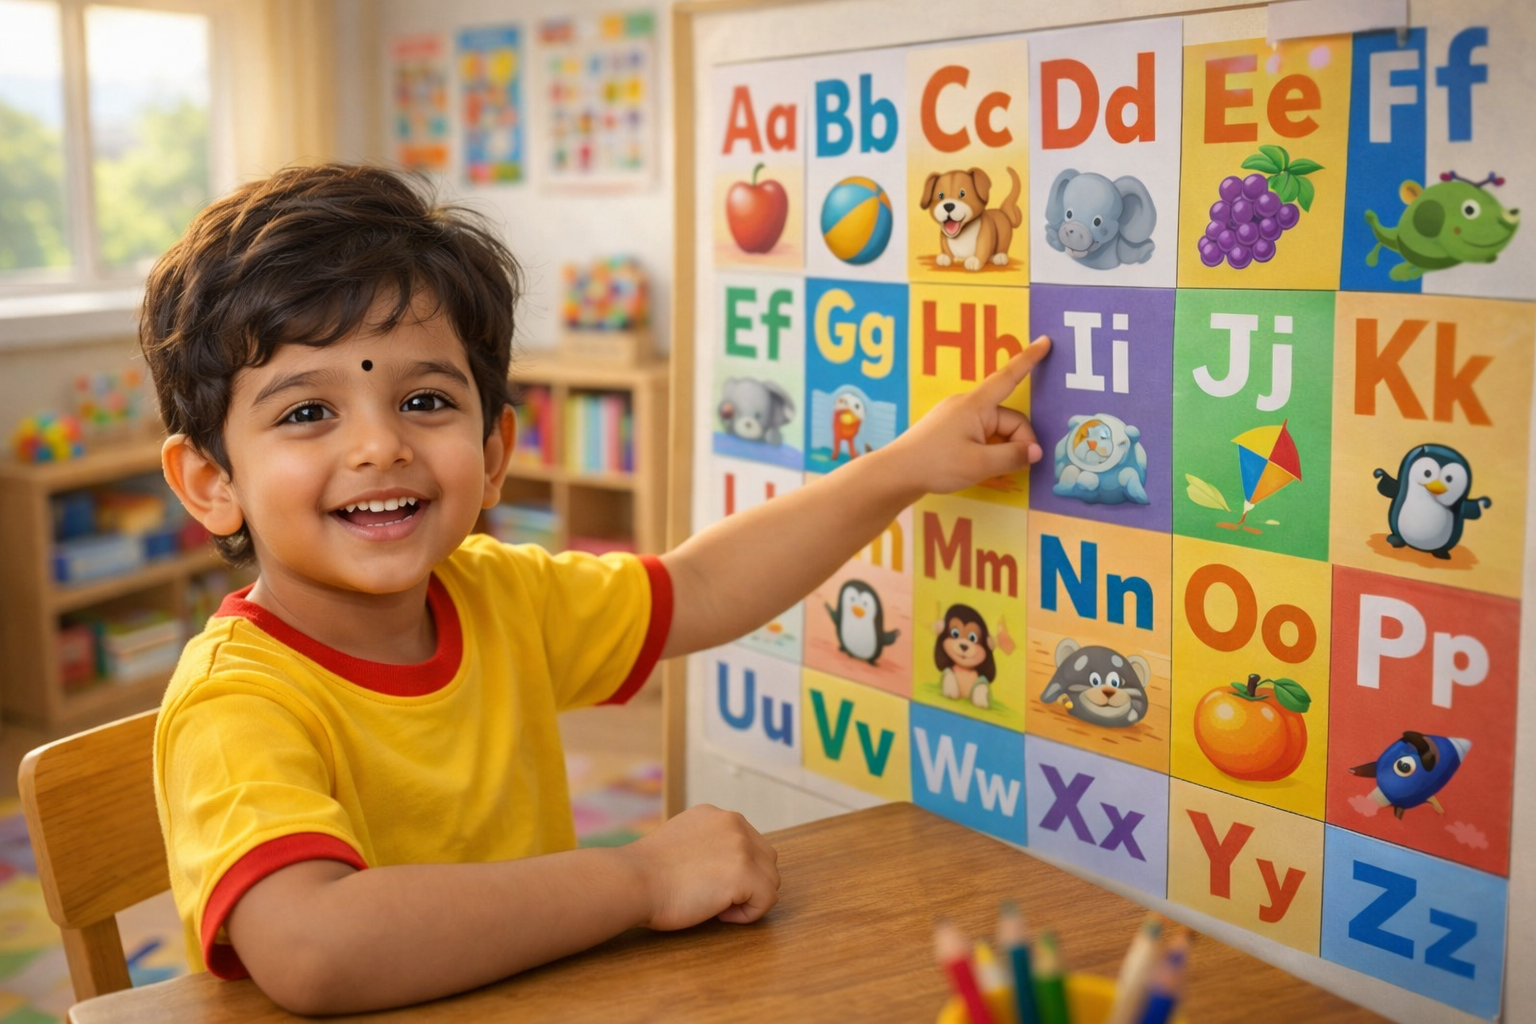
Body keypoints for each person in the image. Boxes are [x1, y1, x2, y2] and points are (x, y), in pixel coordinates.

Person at [142, 162, 1050, 1015]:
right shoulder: (235, 704)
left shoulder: (499, 594)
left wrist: (904, 467)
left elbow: (700, 586)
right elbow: (315, 946)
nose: (380, 446)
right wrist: (641, 880)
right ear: (212, 483)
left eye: (426, 401)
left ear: (495, 453)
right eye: (307, 413)